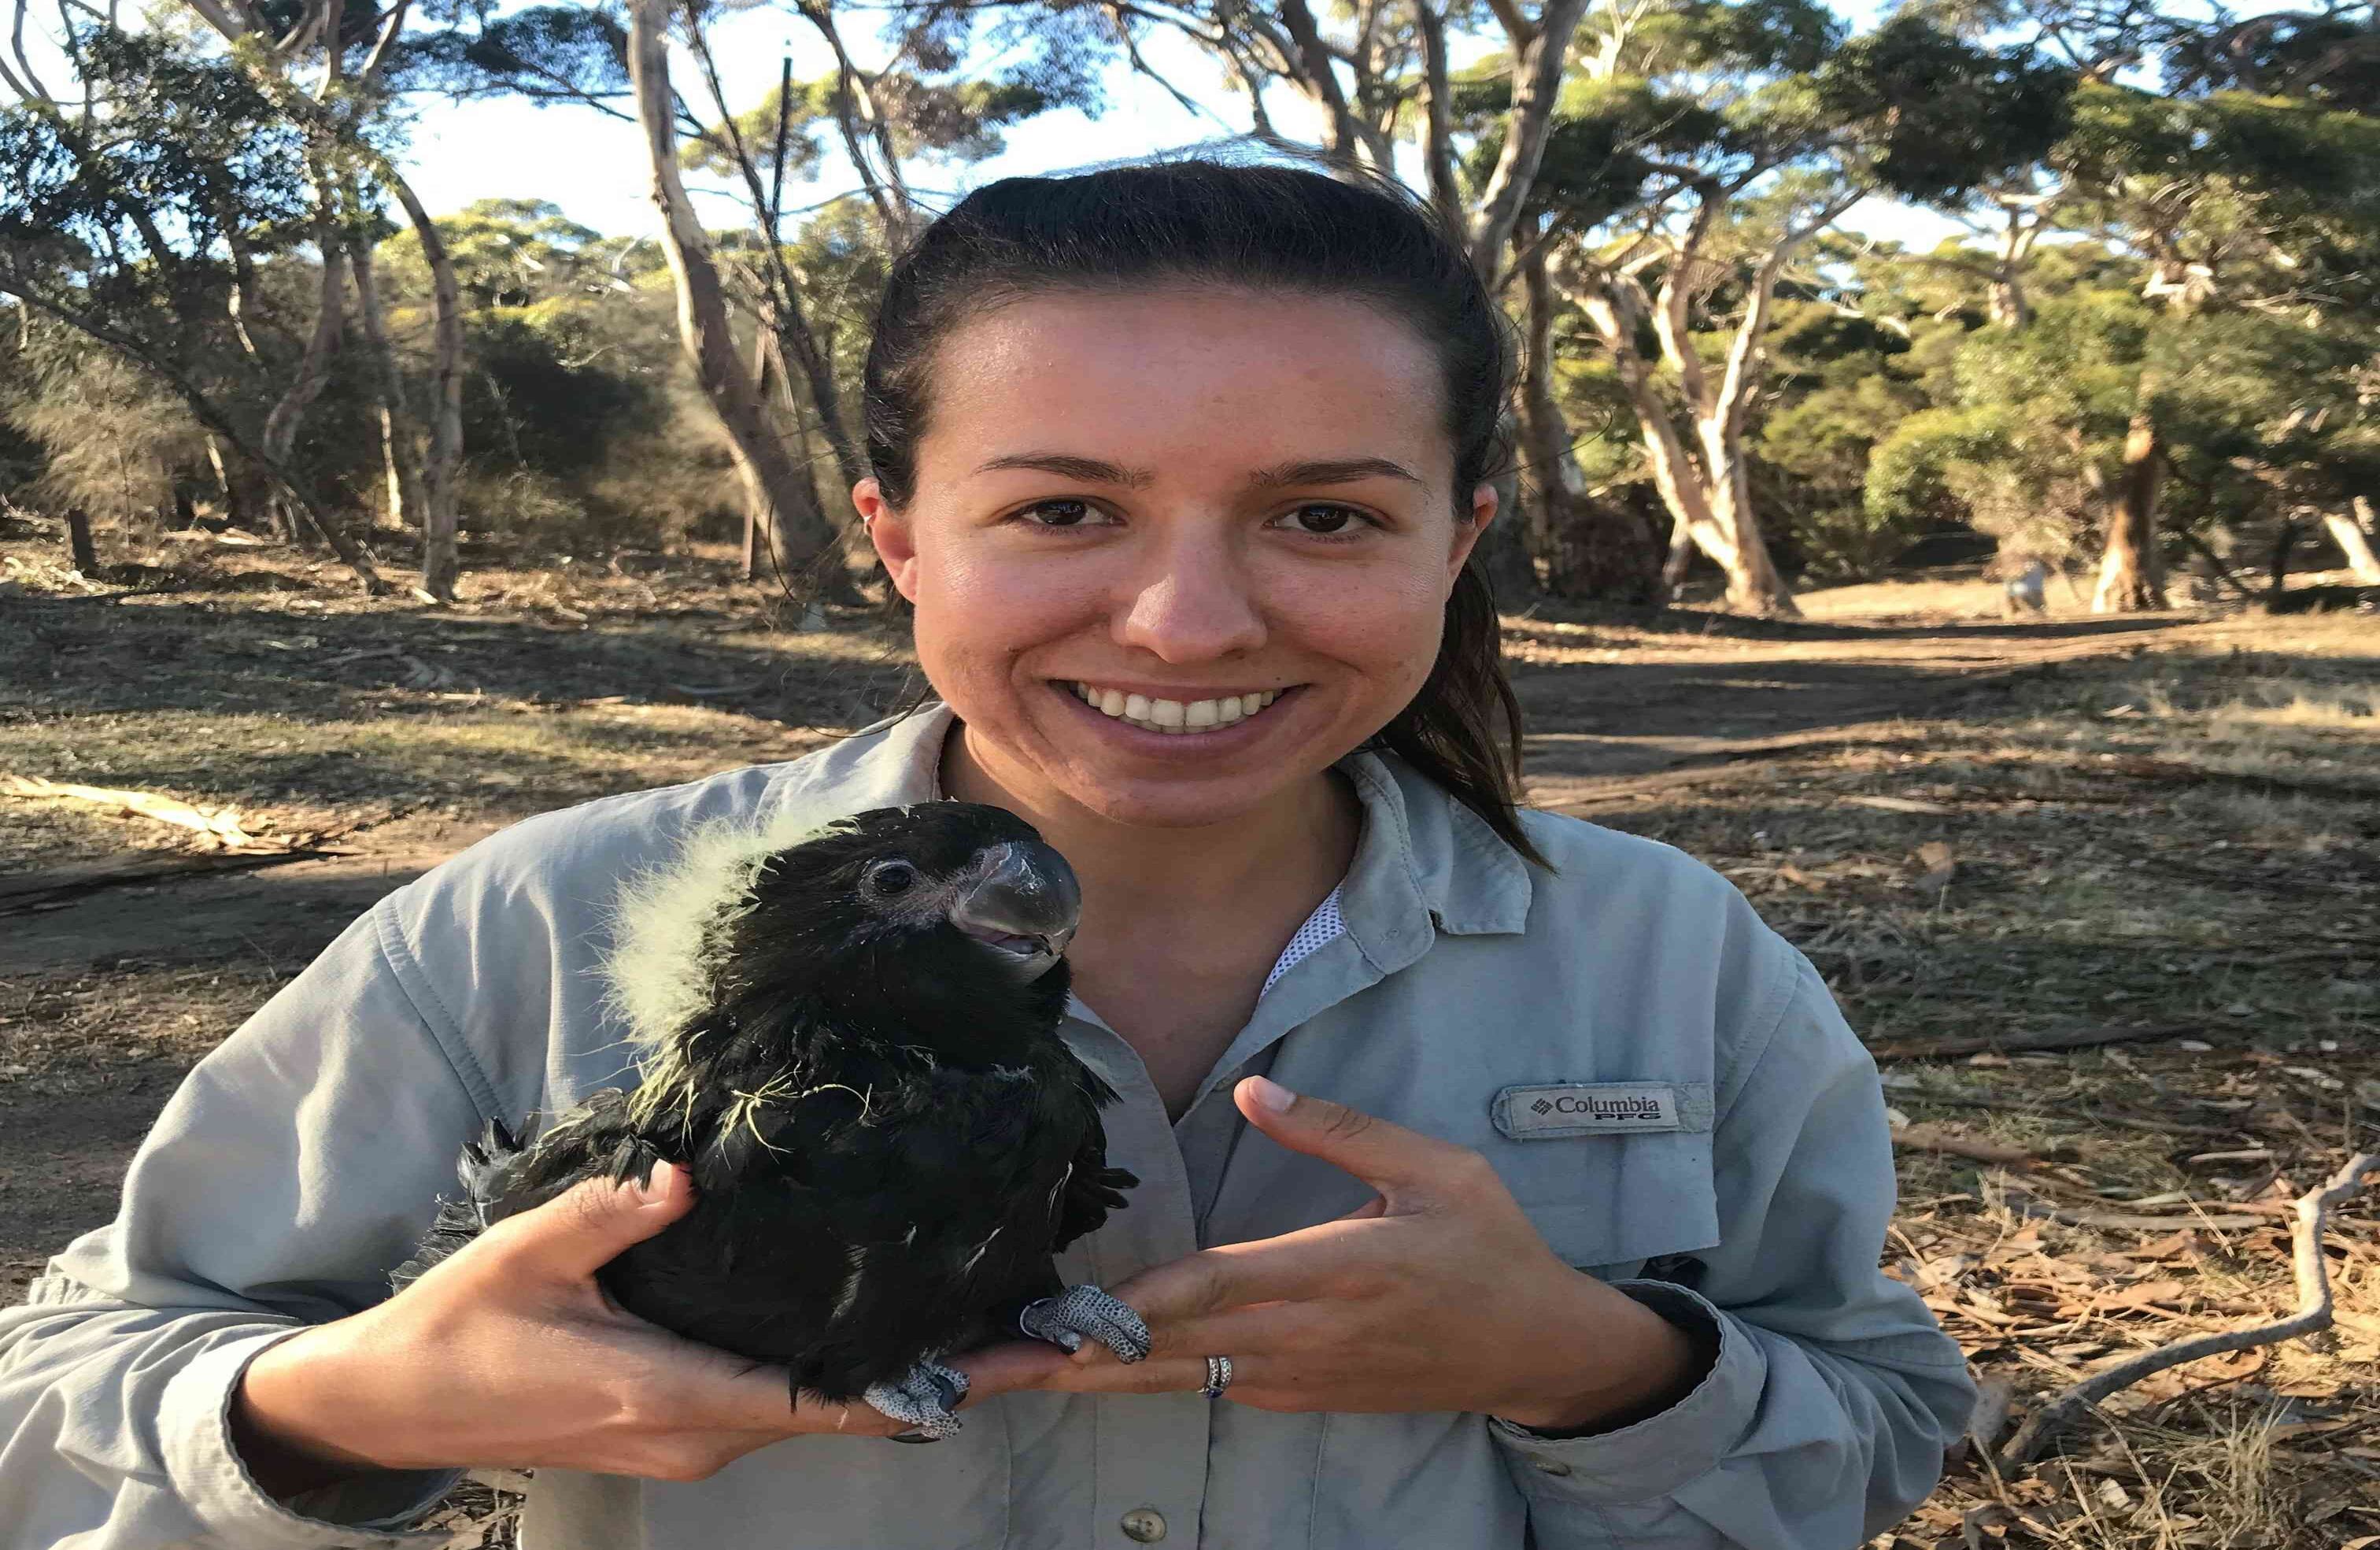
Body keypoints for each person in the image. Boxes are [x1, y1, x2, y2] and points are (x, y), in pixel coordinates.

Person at [0, 156, 1974, 1549]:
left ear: (1456, 547)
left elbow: (1873, 1425)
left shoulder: (1667, 958)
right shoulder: (535, 928)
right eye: (1062, 510)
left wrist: (1593, 1365)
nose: (1187, 624)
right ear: (896, 537)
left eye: (1325, 517)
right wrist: (346, 1408)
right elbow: (57, 1405)